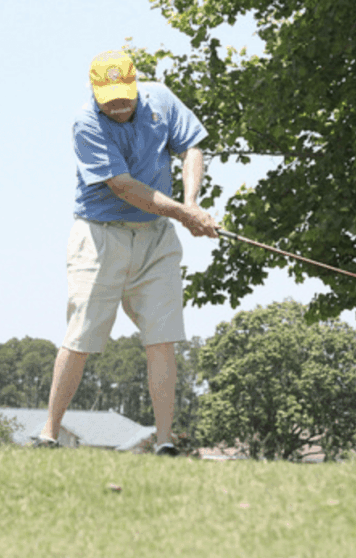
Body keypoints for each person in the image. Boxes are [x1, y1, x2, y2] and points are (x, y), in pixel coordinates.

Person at [34, 49, 219, 455]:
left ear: (136, 85)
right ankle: (49, 434)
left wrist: (190, 202)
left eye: (125, 96)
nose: (118, 106)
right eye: (109, 99)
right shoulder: (86, 123)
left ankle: (165, 442)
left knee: (163, 337)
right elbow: (125, 188)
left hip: (155, 237)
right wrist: (186, 215)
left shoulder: (163, 100)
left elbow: (192, 148)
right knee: (81, 335)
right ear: (95, 92)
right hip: (100, 236)